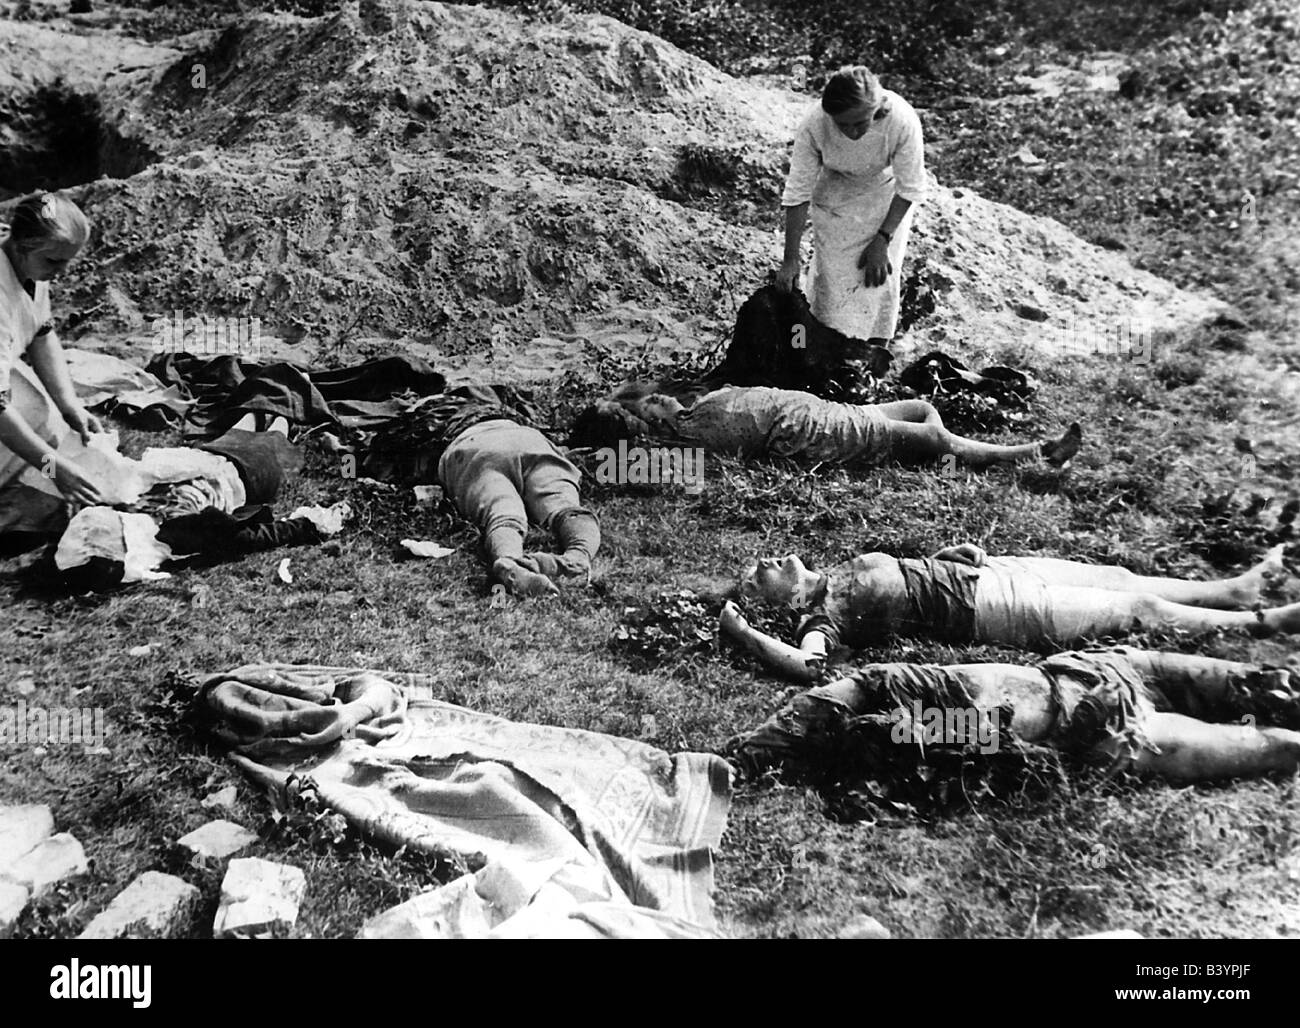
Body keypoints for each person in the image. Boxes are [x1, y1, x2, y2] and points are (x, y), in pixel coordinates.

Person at [730, 645, 1300, 785]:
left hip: (1089, 673)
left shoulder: (893, 690)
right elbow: (1004, 742)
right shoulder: (909, 731)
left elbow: (854, 687)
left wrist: (752, 751)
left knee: (1263, 685)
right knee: (1275, 746)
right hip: (1101, 728)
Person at [720, 543, 1300, 677]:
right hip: (990, 607)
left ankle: (1231, 590)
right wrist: (746, 636)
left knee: (1119, 578)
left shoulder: (842, 568)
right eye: (759, 573)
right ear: (778, 601)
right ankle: (1262, 623)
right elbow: (809, 667)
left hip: (989, 570)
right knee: (1137, 607)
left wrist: (948, 553)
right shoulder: (819, 619)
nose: (767, 559)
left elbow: (908, 570)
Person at [362, 386, 600, 598]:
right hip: (527, 439)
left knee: (503, 511)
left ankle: (509, 560)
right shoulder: (493, 404)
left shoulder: (419, 417)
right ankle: (577, 558)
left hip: (474, 448)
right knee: (566, 508)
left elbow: (380, 461)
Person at [578, 382, 1081, 470]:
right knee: (934, 437)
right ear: (653, 430)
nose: (659, 400)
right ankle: (1038, 451)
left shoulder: (697, 410)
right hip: (828, 434)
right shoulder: (693, 441)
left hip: (829, 412)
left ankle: (945, 445)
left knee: (919, 407)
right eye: (650, 408)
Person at [777, 66, 927, 345]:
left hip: (885, 199)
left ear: (876, 109)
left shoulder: (902, 120)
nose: (852, 131)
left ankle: (875, 356)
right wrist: (790, 259)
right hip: (834, 194)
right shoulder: (814, 123)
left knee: (877, 280)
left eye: (860, 123)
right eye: (843, 124)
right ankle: (831, 353)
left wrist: (882, 240)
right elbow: (797, 192)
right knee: (832, 284)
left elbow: (911, 188)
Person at [0, 192, 107, 536]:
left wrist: (69, 404)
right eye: (53, 262)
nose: (60, 273)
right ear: (20, 246)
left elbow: (42, 332)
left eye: (66, 262)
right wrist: (52, 467)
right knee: (39, 456)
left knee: (43, 417)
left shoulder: (30, 265)